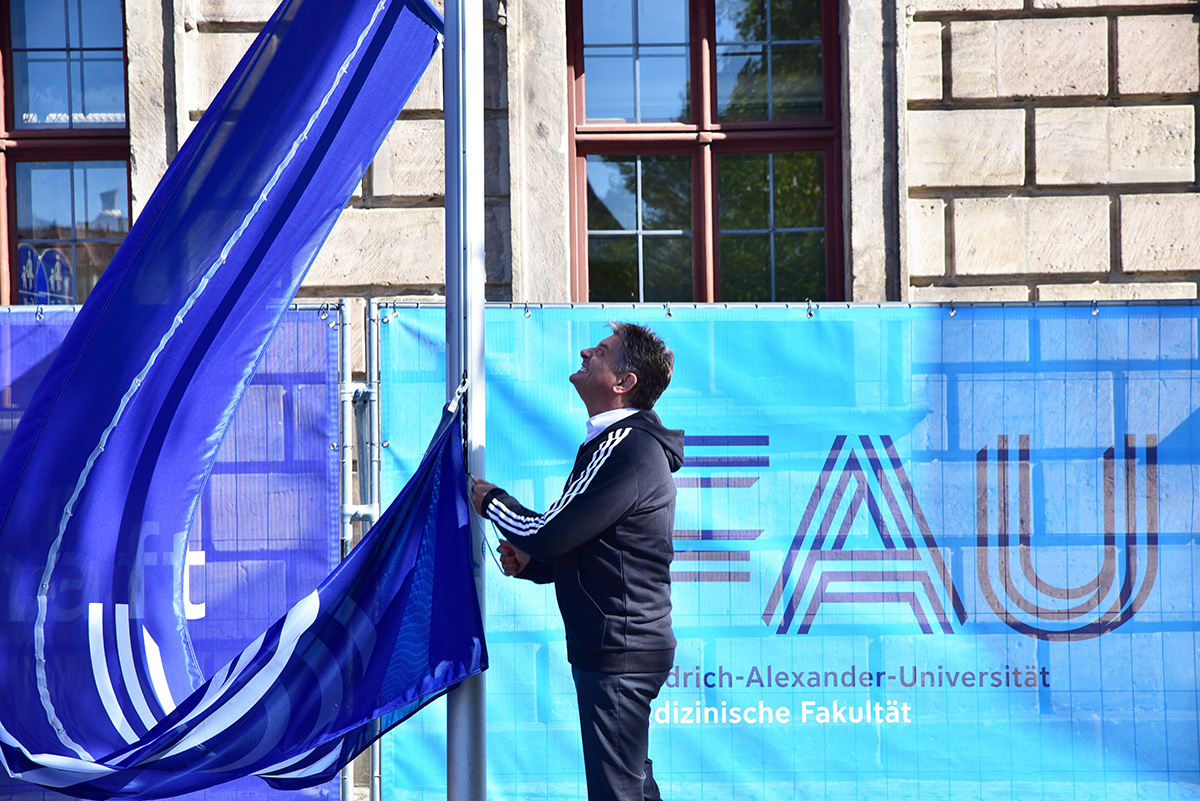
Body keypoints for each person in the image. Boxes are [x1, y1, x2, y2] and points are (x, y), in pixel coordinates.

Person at [471, 321, 684, 801]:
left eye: (603, 351)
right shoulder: (615, 445)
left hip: (620, 651)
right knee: (630, 786)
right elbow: (588, 547)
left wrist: (489, 500)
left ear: (623, 383)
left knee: (618, 792)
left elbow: (549, 533)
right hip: (619, 647)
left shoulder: (625, 447)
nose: (587, 352)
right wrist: (534, 565)